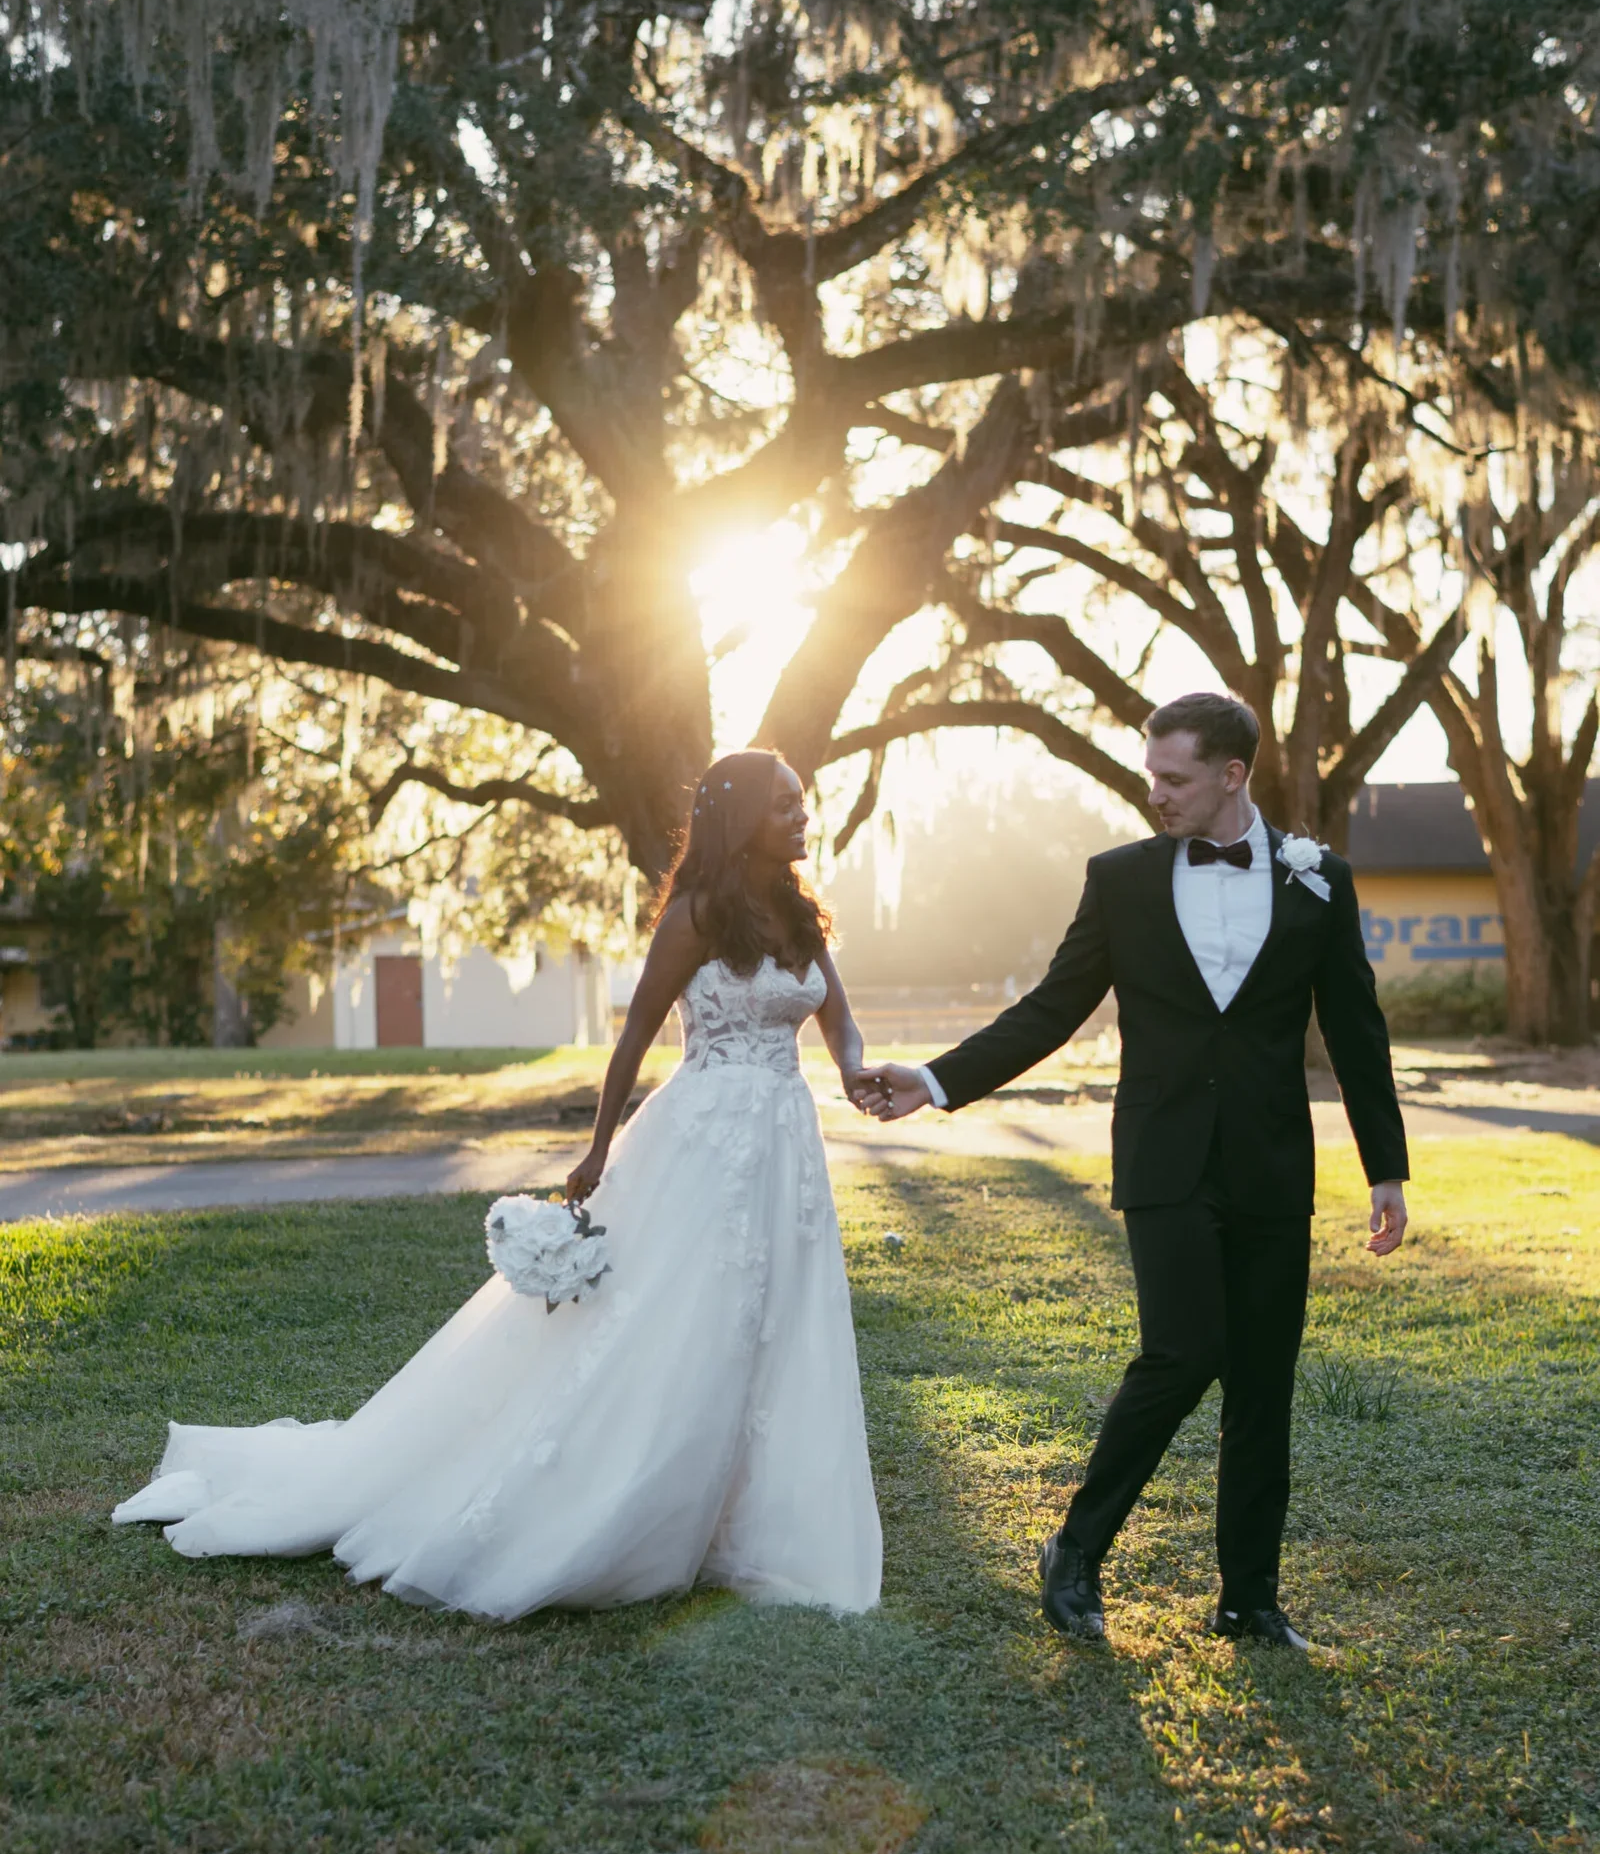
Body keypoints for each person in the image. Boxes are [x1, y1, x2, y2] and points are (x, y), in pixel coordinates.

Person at [114, 751, 883, 1619]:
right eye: (785, 805)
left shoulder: (801, 912)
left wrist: (856, 1071)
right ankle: (632, 1497)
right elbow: (635, 1034)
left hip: (786, 1143)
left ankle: (743, 1511)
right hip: (703, 1141)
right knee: (684, 1314)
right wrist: (598, 1150)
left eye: (801, 803)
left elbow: (839, 1021)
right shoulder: (698, 916)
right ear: (741, 820)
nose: (802, 815)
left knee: (773, 1314)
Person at [858, 692, 1409, 1650]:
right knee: (1183, 1351)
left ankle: (1249, 1599)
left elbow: (1357, 1028)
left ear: (1231, 776)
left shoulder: (1320, 880)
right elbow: (1051, 1008)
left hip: (1273, 1164)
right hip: (1164, 1158)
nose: (1155, 792)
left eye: (1174, 778)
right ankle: (1075, 1549)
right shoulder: (1120, 880)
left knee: (1263, 1382)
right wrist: (937, 1081)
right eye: (1151, 774)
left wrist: (1385, 1169)